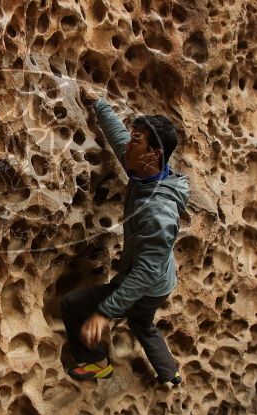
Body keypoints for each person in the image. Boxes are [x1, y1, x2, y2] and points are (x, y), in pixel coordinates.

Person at [61, 87, 190, 383]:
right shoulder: (146, 170)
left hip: (146, 283)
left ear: (153, 153)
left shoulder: (158, 210)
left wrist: (104, 313)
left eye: (136, 141)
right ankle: (170, 373)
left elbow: (144, 273)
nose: (129, 146)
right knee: (142, 324)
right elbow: (120, 140)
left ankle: (95, 362)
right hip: (163, 281)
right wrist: (99, 105)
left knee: (72, 305)